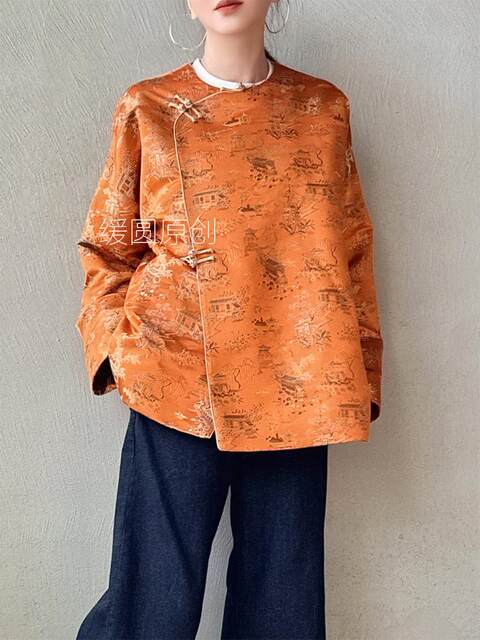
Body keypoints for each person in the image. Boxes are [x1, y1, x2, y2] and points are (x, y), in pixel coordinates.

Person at [75, 1, 384, 638]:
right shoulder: (148, 107)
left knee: (283, 603)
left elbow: (351, 251)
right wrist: (117, 353)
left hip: (300, 381)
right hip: (173, 379)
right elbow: (110, 247)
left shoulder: (323, 110)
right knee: (151, 601)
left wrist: (360, 375)